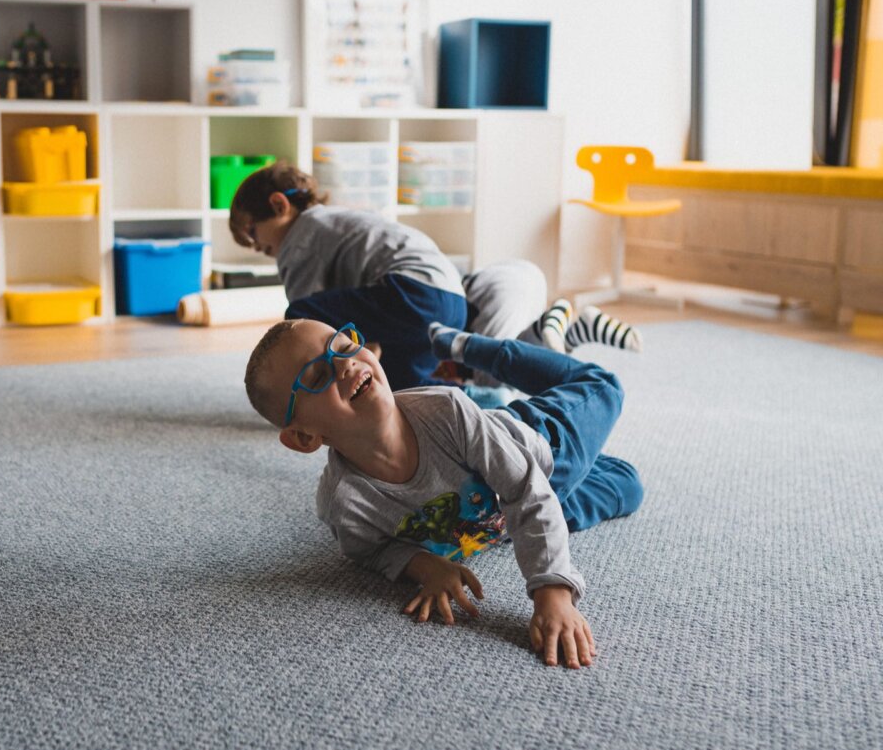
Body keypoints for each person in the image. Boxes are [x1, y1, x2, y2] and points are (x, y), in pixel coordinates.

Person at [242, 318, 644, 668]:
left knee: (605, 387)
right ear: (304, 437)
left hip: (542, 446)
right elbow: (371, 551)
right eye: (316, 377)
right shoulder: (343, 504)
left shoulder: (447, 410)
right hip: (501, 513)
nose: (345, 363)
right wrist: (424, 565)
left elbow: (525, 487)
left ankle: (475, 349)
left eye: (344, 346)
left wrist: (552, 592)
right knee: (628, 485)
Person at [229, 161, 642, 395]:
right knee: (404, 391)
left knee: (299, 314)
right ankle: (487, 398)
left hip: (414, 292)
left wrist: (299, 382)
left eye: (254, 235)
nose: (259, 248)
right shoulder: (329, 227)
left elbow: (303, 325)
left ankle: (316, 393)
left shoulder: (304, 232)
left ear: (279, 205)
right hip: (442, 300)